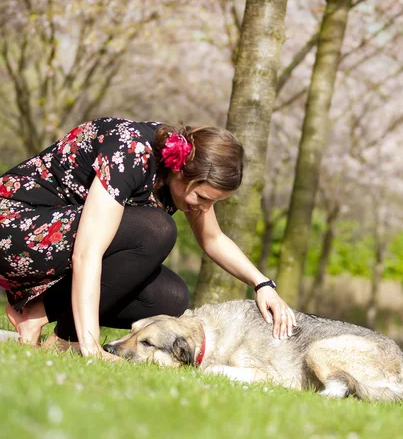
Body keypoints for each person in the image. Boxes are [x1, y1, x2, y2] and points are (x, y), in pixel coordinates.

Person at [0, 117, 295, 360]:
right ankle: (68, 341)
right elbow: (87, 253)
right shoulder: (129, 151)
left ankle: (37, 314)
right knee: (157, 230)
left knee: (170, 297)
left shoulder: (178, 177)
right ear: (182, 171)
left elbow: (213, 239)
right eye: (203, 197)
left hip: (62, 239)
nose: (204, 208)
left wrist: (262, 284)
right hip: (16, 228)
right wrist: (89, 344)